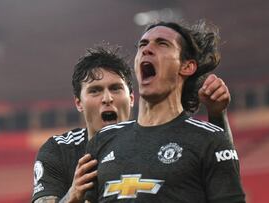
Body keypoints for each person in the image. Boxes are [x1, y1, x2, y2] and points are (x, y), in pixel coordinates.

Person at [32, 43, 232, 202]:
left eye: (116, 88)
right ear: (78, 103)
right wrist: (72, 196)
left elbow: (223, 176)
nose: (107, 98)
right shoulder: (59, 150)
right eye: (95, 90)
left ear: (132, 98)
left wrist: (217, 114)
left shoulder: (164, 139)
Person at [85, 21, 245, 203]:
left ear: (186, 67)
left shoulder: (208, 139)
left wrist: (218, 115)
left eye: (162, 44)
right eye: (142, 45)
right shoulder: (102, 141)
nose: (147, 49)